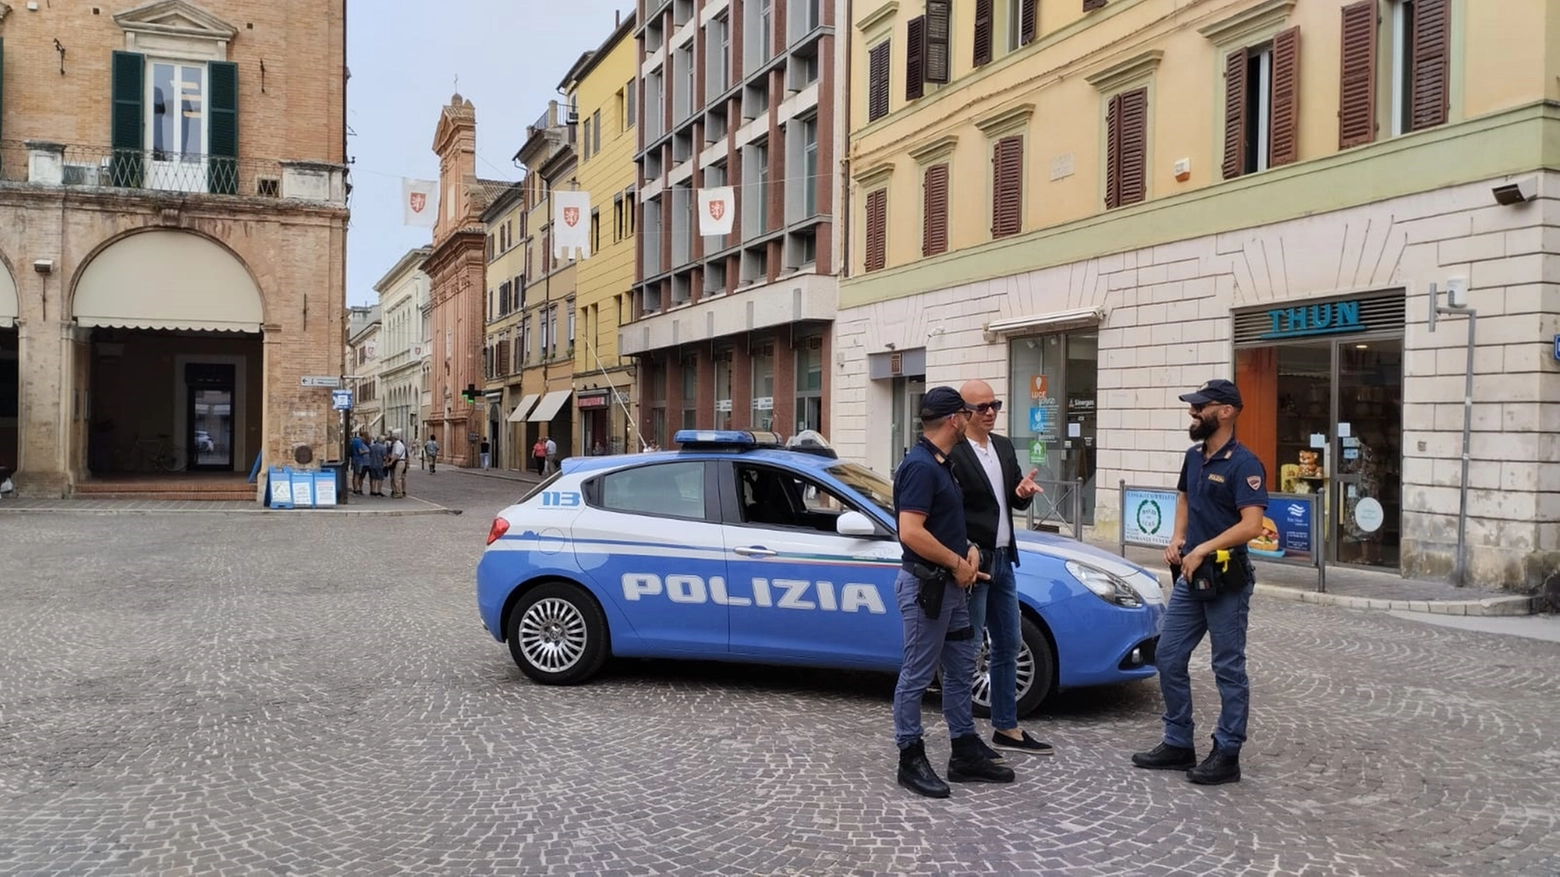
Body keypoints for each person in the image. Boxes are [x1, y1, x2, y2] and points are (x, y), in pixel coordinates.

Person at [1131, 379, 1268, 786]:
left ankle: (1227, 752)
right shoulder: (1194, 457)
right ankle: (1178, 742)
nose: (1192, 412)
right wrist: (1177, 538)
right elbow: (1185, 499)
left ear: (1225, 412)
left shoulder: (1245, 464)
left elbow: (1252, 525)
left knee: (1227, 666)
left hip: (1227, 577)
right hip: (1193, 576)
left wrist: (1202, 547)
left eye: (1200, 406)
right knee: (1168, 655)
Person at [890, 386, 1015, 798]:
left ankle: (963, 749)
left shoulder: (942, 464)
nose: (973, 419)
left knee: (962, 666)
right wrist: (957, 562)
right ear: (953, 420)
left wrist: (970, 549)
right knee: (918, 674)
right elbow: (910, 532)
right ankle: (910, 756)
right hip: (928, 587)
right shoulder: (921, 467)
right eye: (966, 414)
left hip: (952, 587)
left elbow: (945, 523)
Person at [948, 380, 1051, 756]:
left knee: (1009, 643)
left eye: (995, 405)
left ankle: (1006, 726)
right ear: (964, 412)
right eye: (981, 407)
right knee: (969, 647)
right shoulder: (954, 452)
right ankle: (964, 736)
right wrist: (964, 553)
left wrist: (1020, 494)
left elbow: (1008, 500)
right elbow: (950, 512)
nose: (990, 412)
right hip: (976, 561)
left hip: (1006, 558)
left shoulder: (1003, 447)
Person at [349, 429, 370, 496]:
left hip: (354, 459)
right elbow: (360, 451)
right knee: (357, 475)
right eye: (365, 437)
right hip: (358, 459)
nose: (365, 439)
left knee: (355, 475)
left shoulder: (354, 440)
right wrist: (366, 451)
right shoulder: (358, 442)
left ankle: (355, 489)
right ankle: (356, 489)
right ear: (363, 436)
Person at [388, 430, 408, 498]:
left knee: (397, 478)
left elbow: (397, 455)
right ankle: (398, 491)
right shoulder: (398, 444)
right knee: (397, 478)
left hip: (399, 462)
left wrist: (391, 462)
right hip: (400, 461)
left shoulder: (397, 444)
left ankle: (399, 492)